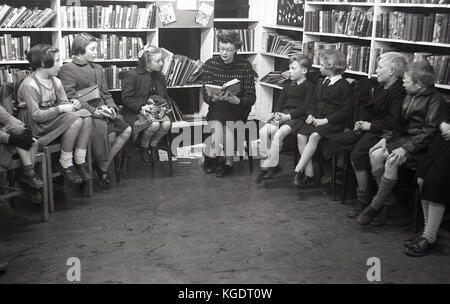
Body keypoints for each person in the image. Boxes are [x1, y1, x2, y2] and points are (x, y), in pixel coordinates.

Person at [357, 61, 446, 226]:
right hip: (403, 139)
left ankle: (376, 205)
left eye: (406, 80)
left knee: (391, 161)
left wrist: (405, 149)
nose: (402, 83)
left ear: (419, 85)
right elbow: (399, 124)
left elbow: (429, 131)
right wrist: (386, 138)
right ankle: (387, 201)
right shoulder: (408, 94)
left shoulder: (436, 100)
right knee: (374, 153)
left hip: (423, 145)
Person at [324, 52, 407, 224]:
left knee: (357, 154)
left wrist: (370, 126)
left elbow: (393, 121)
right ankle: (372, 199)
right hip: (374, 129)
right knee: (340, 142)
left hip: (388, 133)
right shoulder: (380, 87)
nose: (375, 71)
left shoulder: (399, 91)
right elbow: (374, 111)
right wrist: (363, 122)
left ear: (392, 71)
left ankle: (369, 201)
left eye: (379, 67)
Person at [59, 33, 132, 188]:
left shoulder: (98, 68)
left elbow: (105, 93)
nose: (96, 52)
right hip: (86, 115)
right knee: (111, 135)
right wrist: (94, 111)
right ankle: (101, 169)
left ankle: (103, 167)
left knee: (126, 130)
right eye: (92, 49)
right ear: (79, 50)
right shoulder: (67, 69)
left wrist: (111, 108)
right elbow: (71, 98)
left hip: (103, 110)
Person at [17, 44, 93, 184]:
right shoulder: (29, 85)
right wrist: (61, 109)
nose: (61, 64)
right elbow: (36, 116)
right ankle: (65, 162)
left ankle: (80, 160)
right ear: (43, 63)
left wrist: (72, 105)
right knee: (76, 120)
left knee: (86, 115)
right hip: (35, 126)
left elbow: (64, 102)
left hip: (51, 121)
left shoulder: (56, 81)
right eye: (57, 60)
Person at [293, 49, 353, 188]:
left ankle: (298, 170)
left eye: (321, 65)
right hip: (317, 118)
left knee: (314, 136)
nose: (319, 67)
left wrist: (325, 121)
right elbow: (312, 103)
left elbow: (346, 111)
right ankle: (310, 174)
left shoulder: (344, 86)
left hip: (333, 122)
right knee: (301, 135)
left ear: (330, 67)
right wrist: (310, 115)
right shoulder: (320, 82)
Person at [255, 53, 319, 183]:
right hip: (283, 115)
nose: (290, 71)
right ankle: (273, 164)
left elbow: (305, 108)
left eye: (293, 68)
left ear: (304, 70)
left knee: (278, 135)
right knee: (263, 132)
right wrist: (277, 113)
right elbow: (280, 101)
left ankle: (269, 166)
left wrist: (287, 117)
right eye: (290, 68)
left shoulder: (309, 86)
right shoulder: (288, 85)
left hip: (296, 117)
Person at [202, 30, 257, 178]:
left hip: (238, 109)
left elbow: (251, 97)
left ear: (236, 49)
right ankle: (228, 162)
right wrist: (213, 98)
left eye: (229, 50)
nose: (224, 53)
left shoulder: (245, 66)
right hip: (217, 107)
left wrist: (237, 100)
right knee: (221, 109)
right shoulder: (210, 64)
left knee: (224, 117)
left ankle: (211, 155)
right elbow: (205, 95)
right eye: (221, 49)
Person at [403, 100, 450, 256]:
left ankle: (429, 237)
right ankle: (429, 231)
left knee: (435, 182)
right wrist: (443, 124)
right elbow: (444, 113)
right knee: (422, 178)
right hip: (443, 141)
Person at [121, 45, 172, 163]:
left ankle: (154, 145)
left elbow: (164, 96)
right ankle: (144, 147)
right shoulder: (132, 75)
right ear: (147, 63)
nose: (161, 64)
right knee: (154, 125)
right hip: (137, 110)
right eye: (158, 61)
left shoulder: (159, 76)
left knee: (166, 124)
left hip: (157, 109)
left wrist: (162, 105)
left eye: (162, 60)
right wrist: (142, 106)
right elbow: (126, 99)